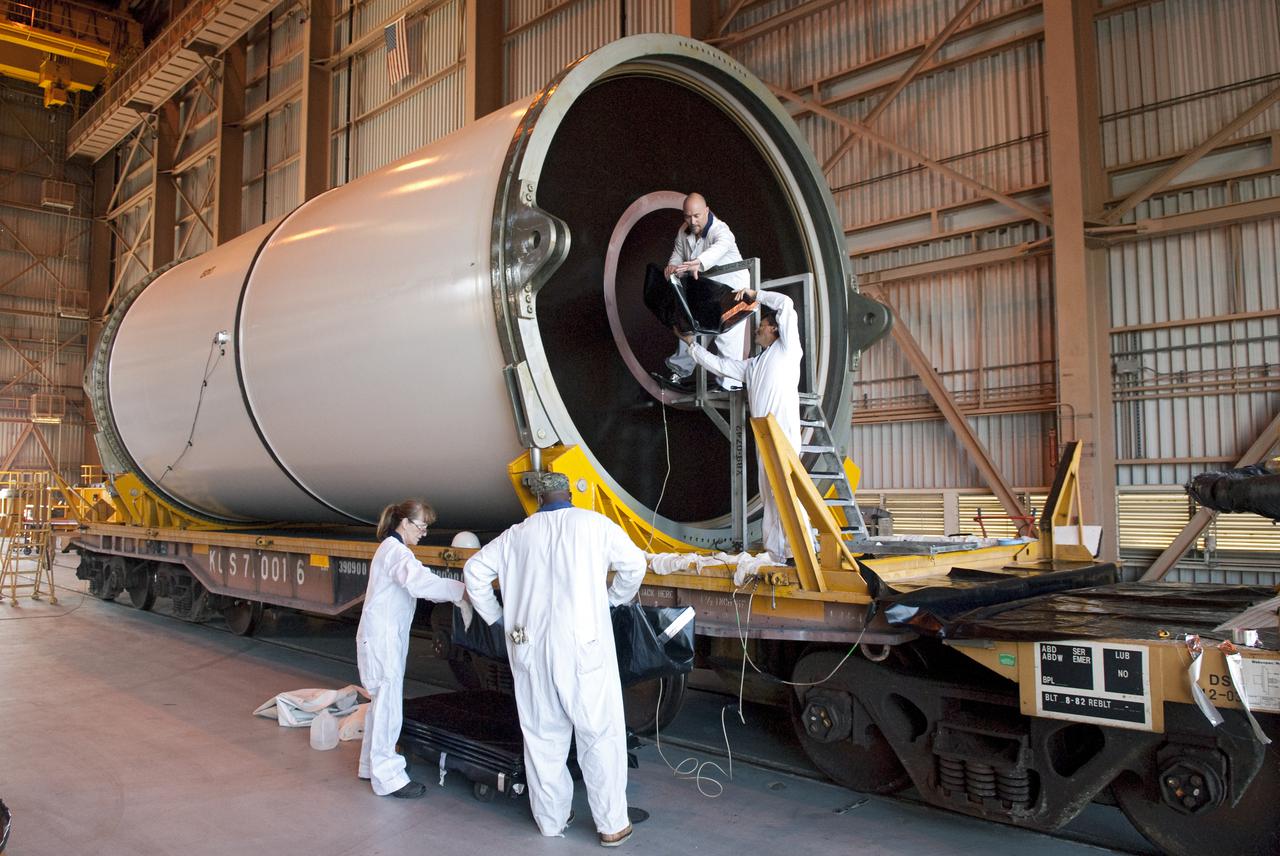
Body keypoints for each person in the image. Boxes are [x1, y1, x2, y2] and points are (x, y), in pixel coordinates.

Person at [463, 472, 646, 847]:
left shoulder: (517, 534)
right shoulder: (593, 524)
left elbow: (473, 571)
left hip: (527, 646)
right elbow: (634, 565)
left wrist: (496, 616)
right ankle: (611, 824)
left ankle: (551, 820)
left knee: (542, 736)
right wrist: (612, 599)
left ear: (539, 499)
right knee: (598, 734)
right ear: (569, 495)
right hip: (583, 646)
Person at [677, 286, 805, 562]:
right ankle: (777, 553)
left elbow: (786, 303)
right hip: (765, 438)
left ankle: (801, 550)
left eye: (761, 325)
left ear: (774, 328)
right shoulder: (754, 365)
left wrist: (755, 294)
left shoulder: (787, 350)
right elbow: (721, 366)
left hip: (783, 435)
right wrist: (691, 345)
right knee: (770, 494)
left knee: (787, 492)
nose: (757, 330)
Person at [356, 498, 468, 798]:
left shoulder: (391, 550)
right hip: (382, 641)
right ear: (404, 523)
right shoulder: (396, 552)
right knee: (388, 707)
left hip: (382, 639)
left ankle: (371, 767)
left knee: (381, 704)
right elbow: (420, 583)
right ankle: (388, 777)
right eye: (421, 526)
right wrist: (463, 591)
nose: (424, 533)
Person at [653, 192, 748, 392]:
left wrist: (699, 262)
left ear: (707, 211)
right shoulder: (684, 230)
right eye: (687, 216)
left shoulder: (721, 230)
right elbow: (678, 253)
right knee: (687, 325)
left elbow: (721, 246)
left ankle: (730, 385)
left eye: (696, 216)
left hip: (735, 293)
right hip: (709, 291)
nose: (692, 221)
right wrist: (672, 266)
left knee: (728, 338)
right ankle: (678, 372)